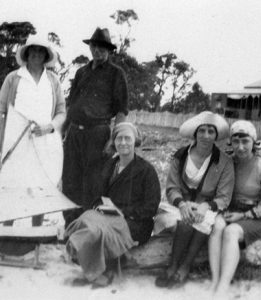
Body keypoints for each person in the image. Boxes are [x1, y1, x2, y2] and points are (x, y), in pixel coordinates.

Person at [65, 122, 161, 287]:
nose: (123, 143)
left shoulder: (146, 170)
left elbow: (151, 206)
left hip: (135, 221)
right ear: (114, 142)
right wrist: (99, 207)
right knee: (85, 219)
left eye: (127, 138)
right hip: (108, 214)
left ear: (135, 141)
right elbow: (99, 194)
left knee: (97, 231)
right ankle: (87, 261)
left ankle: (95, 272)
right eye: (119, 139)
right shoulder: (110, 165)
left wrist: (123, 211)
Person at [155, 111, 234, 288]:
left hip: (207, 208)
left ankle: (185, 266)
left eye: (211, 132)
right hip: (179, 205)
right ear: (195, 133)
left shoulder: (224, 162)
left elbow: (224, 196)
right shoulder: (181, 155)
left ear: (216, 135)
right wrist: (181, 204)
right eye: (202, 131)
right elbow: (172, 187)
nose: (206, 136)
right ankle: (173, 265)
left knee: (202, 221)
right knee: (184, 221)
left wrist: (206, 206)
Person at [62, 27, 129, 228]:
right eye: (94, 46)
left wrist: (114, 139)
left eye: (102, 47)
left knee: (93, 184)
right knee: (70, 181)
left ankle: (87, 230)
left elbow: (122, 110)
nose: (98, 50)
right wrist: (64, 132)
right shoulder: (81, 72)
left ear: (109, 50)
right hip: (74, 133)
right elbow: (71, 104)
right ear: (90, 47)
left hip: (98, 134)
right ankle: (70, 227)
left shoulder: (116, 74)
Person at [0, 34, 65, 228]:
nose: (36, 54)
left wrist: (49, 127)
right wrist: (3, 141)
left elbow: (61, 112)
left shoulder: (53, 80)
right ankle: (6, 235)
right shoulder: (14, 78)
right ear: (26, 54)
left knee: (40, 188)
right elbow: (1, 109)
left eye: (40, 51)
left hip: (44, 144)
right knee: (13, 188)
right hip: (16, 142)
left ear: (46, 55)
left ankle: (36, 234)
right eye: (33, 51)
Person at [208, 120, 261, 299]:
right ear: (231, 142)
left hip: (257, 217)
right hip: (232, 210)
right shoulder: (228, 162)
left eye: (245, 141)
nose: (240, 147)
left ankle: (224, 286)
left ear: (254, 142)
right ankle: (215, 279)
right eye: (236, 141)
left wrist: (243, 215)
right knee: (216, 226)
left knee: (231, 232)